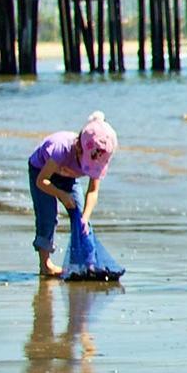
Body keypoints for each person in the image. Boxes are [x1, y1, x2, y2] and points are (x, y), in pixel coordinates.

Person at [27, 112, 116, 278]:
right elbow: (41, 181)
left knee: (81, 219)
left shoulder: (98, 155)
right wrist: (60, 194)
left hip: (69, 176)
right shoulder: (61, 149)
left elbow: (93, 191)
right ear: (80, 149)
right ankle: (45, 264)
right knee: (48, 216)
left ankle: (87, 263)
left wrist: (85, 216)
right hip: (42, 172)